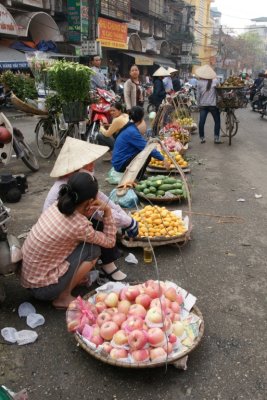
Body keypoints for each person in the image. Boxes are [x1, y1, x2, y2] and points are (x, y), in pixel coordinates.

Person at [43, 137, 139, 282]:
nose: (93, 164)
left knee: (103, 219)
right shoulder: (67, 186)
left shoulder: (79, 179)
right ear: (78, 165)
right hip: (60, 241)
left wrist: (126, 219)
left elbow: (103, 200)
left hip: (67, 228)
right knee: (100, 223)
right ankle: (108, 265)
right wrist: (127, 222)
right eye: (88, 162)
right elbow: (99, 211)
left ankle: (106, 260)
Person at [21, 172, 117, 309]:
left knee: (82, 244)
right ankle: (63, 297)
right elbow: (110, 241)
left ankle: (66, 283)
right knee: (93, 250)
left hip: (29, 280)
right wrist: (107, 211)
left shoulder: (57, 205)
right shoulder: (80, 225)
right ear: (91, 201)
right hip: (43, 290)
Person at [112, 106, 170, 180]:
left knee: (143, 151)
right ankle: (138, 177)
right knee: (147, 154)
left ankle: (138, 174)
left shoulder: (129, 127)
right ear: (141, 119)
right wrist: (163, 159)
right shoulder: (132, 131)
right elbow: (147, 148)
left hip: (119, 161)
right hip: (120, 164)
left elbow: (141, 144)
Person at [196, 64, 222, 144]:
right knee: (217, 121)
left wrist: (198, 104)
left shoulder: (199, 82)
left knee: (201, 122)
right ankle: (216, 138)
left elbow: (198, 95)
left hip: (203, 105)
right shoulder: (215, 81)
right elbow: (219, 92)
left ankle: (202, 138)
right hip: (213, 105)